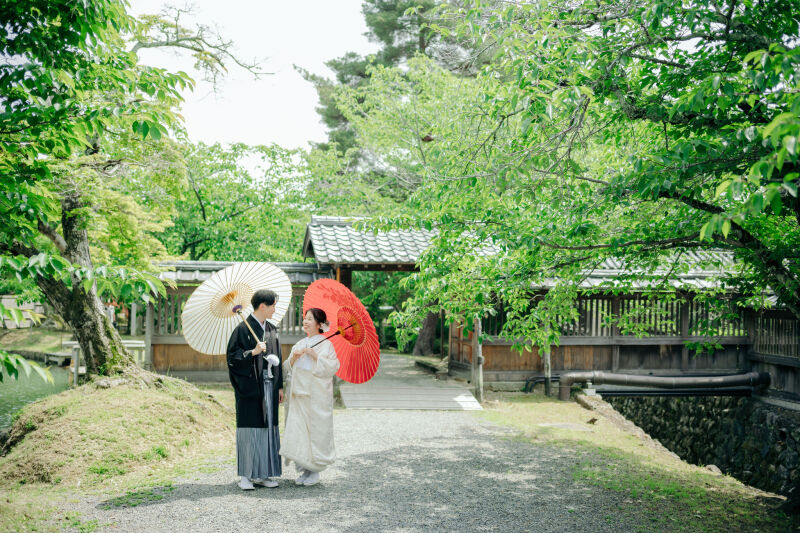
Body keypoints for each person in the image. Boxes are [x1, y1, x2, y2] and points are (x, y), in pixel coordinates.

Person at [226, 289, 284, 490]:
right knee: (250, 429)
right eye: (273, 305)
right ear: (262, 306)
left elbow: (279, 360)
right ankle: (246, 475)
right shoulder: (242, 329)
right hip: (250, 388)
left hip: (269, 386)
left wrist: (280, 386)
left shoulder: (272, 329)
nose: (275, 309)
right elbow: (232, 358)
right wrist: (253, 352)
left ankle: (264, 473)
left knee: (268, 429)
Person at [280, 308, 340, 486]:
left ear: (320, 324)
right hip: (298, 394)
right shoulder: (299, 344)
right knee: (299, 432)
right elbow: (286, 369)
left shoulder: (326, 345)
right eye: (305, 319)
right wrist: (293, 359)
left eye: (310, 319)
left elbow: (332, 367)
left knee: (314, 432)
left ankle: (314, 472)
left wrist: (316, 357)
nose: (305, 322)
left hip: (315, 397)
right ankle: (304, 470)